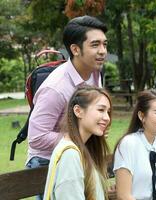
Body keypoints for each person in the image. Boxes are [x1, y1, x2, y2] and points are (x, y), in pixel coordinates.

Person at [26, 15, 108, 175]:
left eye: (105, 44)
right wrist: (81, 135)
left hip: (80, 154)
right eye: (95, 45)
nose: (103, 51)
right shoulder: (55, 88)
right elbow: (36, 138)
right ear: (75, 49)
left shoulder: (95, 73)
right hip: (48, 161)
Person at [43, 86, 111, 200]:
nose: (107, 118)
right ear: (78, 111)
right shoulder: (70, 154)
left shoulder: (84, 149)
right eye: (101, 110)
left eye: (108, 112)